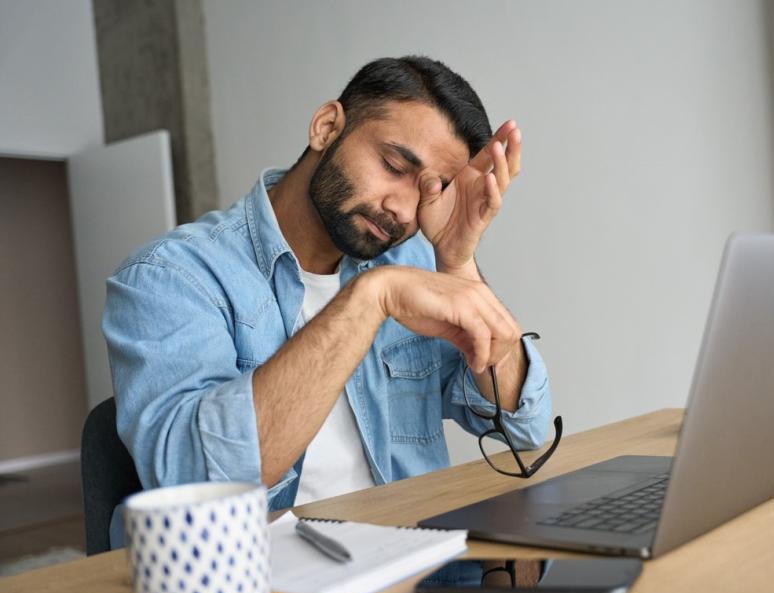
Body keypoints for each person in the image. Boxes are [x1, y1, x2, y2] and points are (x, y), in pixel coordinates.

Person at [103, 56, 553, 546]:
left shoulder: (412, 262)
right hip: (257, 584)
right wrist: (370, 299)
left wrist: (458, 261)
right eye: (394, 166)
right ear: (326, 127)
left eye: (430, 190)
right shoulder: (172, 277)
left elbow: (522, 428)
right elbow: (197, 486)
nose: (403, 209)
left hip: (411, 558)